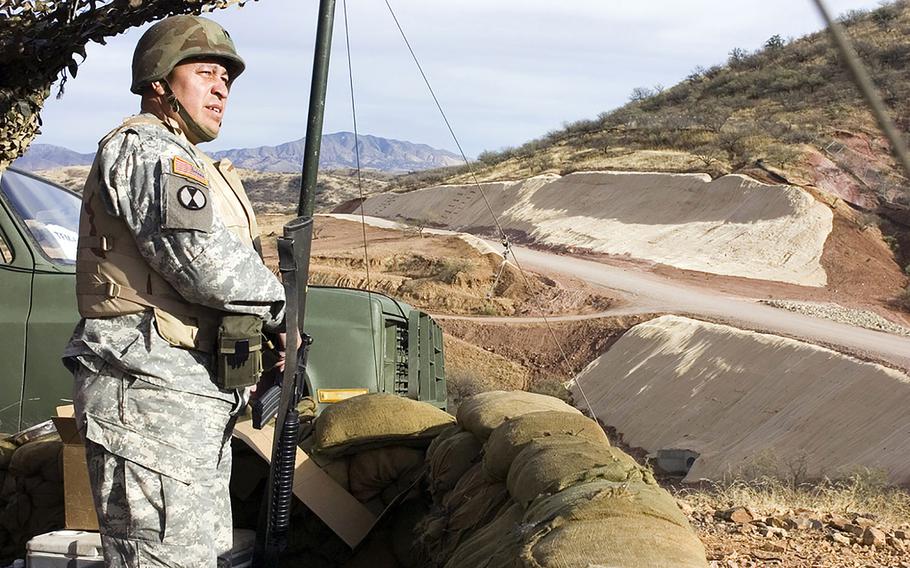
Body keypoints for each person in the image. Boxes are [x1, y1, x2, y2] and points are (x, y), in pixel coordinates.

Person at [63, 15, 286, 567]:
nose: (220, 88)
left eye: (227, 79)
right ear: (159, 81)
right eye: (205, 72)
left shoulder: (191, 162)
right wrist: (284, 310)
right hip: (148, 396)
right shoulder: (149, 151)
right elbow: (201, 261)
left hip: (185, 399)